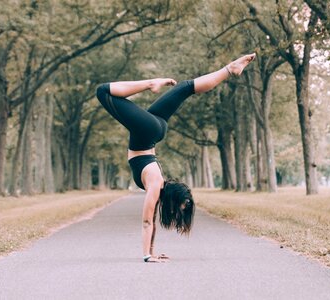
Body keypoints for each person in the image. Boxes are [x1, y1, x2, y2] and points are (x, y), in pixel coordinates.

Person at [96, 53, 256, 263]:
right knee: (102, 91)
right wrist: (146, 255)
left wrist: (151, 253)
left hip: (155, 128)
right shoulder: (155, 185)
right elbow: (146, 222)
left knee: (186, 87)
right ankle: (150, 83)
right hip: (147, 132)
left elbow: (150, 220)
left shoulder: (157, 186)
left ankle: (229, 69)